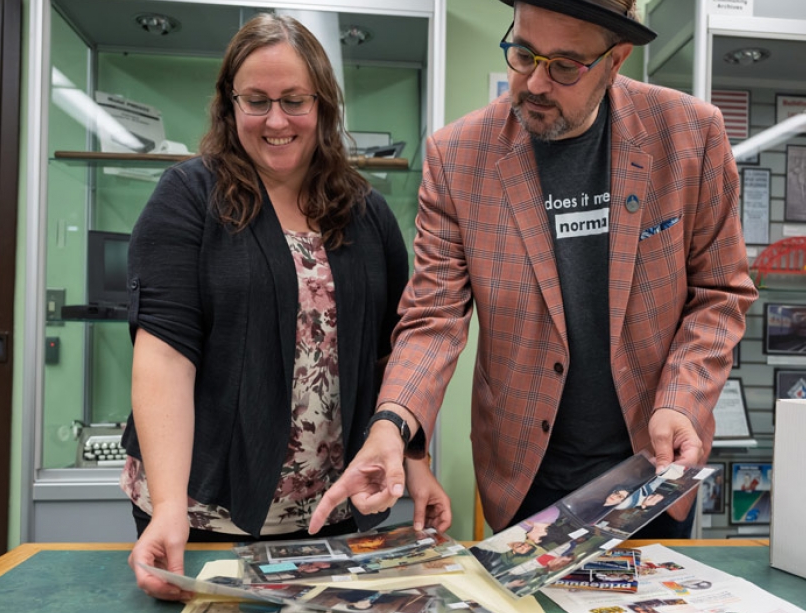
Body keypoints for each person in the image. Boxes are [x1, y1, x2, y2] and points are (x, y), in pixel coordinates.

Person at [310, 0, 756, 539]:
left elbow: (720, 293)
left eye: (565, 66)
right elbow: (434, 315)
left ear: (615, 61)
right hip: (523, 469)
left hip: (654, 462)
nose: (535, 83)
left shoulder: (689, 136)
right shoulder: (459, 156)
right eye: (523, 53)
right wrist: (391, 424)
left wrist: (681, 402)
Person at [120, 14, 450, 601]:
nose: (276, 120)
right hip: (204, 512)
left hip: (335, 510)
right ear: (230, 105)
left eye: (294, 101)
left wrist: (416, 461)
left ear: (323, 105)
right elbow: (166, 356)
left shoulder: (366, 214)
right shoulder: (188, 198)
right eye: (257, 101)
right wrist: (169, 507)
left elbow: (393, 352)